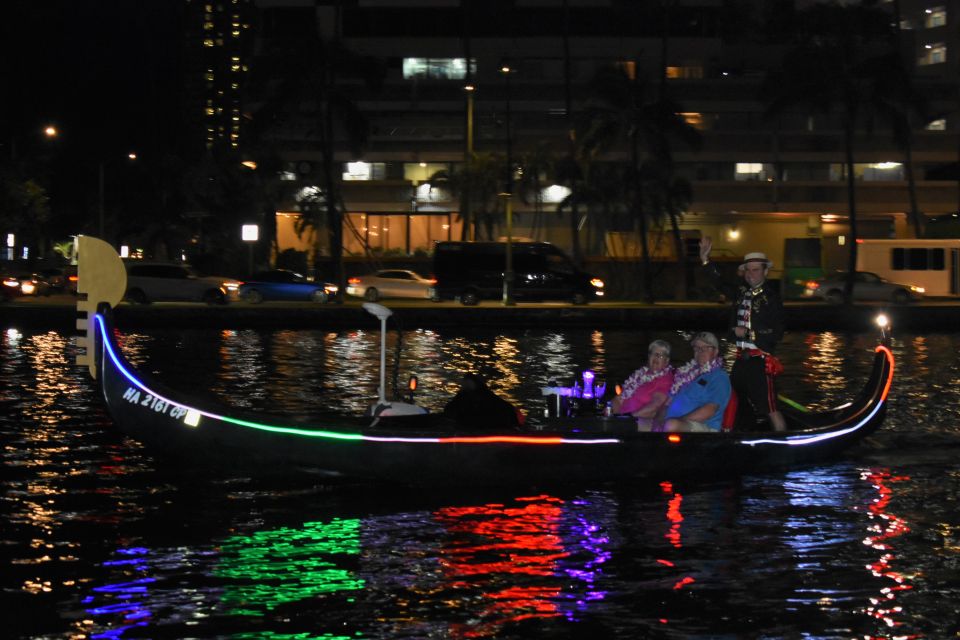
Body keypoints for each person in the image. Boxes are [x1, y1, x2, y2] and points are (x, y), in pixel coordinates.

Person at [699, 237, 786, 432]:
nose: (750, 274)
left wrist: (749, 334)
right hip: (741, 360)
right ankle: (738, 434)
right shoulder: (741, 291)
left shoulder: (772, 298)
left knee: (771, 408)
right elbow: (719, 282)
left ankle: (785, 443)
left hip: (761, 362)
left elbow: (777, 332)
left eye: (755, 269)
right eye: (748, 269)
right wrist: (706, 260)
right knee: (733, 399)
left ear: (765, 271)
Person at [657, 332, 731, 433]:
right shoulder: (684, 374)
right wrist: (658, 422)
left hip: (702, 426)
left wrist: (677, 421)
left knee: (671, 425)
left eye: (705, 347)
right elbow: (667, 403)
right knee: (635, 424)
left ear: (715, 351)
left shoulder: (719, 377)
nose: (700, 351)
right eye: (697, 348)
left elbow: (710, 410)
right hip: (672, 423)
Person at [611, 339, 674, 428]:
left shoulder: (665, 378)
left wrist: (629, 417)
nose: (656, 357)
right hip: (622, 418)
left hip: (639, 420)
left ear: (667, 361)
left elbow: (655, 406)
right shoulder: (639, 375)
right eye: (653, 353)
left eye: (660, 355)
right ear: (649, 356)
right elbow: (619, 399)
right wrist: (610, 413)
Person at [443, 373, 521, 430]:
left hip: (477, 423)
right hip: (480, 423)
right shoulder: (485, 395)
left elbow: (451, 409)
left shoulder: (471, 396)